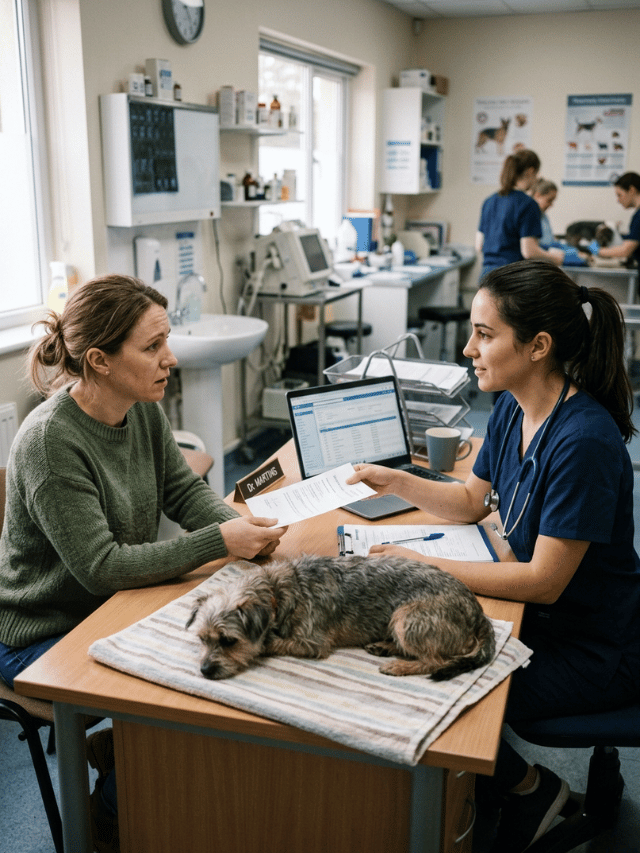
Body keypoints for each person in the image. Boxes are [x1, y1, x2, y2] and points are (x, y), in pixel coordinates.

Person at [348, 259, 640, 853]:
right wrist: (395, 480)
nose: (467, 348)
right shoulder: (510, 405)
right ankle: (502, 790)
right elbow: (468, 502)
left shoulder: (583, 439)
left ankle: (532, 791)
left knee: (437, 687)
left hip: (591, 645)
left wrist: (418, 564)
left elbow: (544, 581)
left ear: (538, 345)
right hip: (548, 620)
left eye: (484, 334)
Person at [0, 274, 286, 851]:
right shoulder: (51, 442)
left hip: (112, 605)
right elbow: (102, 566)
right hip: (43, 630)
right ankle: (108, 817)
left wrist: (237, 527)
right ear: (101, 360)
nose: (169, 358)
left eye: (167, 340)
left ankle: (127, 758)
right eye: (152, 346)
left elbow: (183, 492)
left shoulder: (142, 408)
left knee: (230, 661)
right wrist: (220, 543)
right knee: (186, 693)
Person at [476, 150, 565, 276]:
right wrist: (554, 258)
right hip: (511, 278)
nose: (537, 179)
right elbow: (529, 251)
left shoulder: (489, 201)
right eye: (537, 174)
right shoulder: (528, 204)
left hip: (487, 276)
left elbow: (479, 245)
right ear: (530, 172)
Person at [590, 171, 640, 268]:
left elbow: (625, 251)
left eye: (619, 195)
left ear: (631, 190)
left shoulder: (639, 217)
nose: (618, 200)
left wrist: (598, 251)